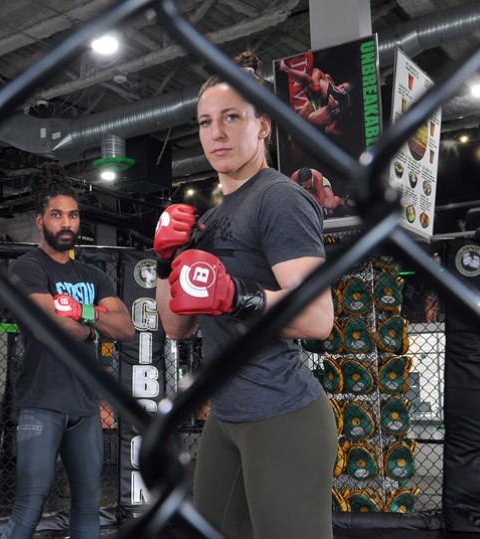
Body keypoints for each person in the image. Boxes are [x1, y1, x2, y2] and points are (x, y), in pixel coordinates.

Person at [154, 51, 337, 538]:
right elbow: (176, 327)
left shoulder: (278, 198)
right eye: (205, 122)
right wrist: (164, 262)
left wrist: (237, 295)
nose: (216, 133)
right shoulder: (209, 221)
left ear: (263, 126)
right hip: (226, 415)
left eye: (232, 117)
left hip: (282, 413)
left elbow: (318, 318)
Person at [3, 166, 135, 539]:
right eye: (57, 215)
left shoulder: (93, 275)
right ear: (40, 220)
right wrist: (96, 321)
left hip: (84, 405)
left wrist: (83, 312)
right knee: (30, 504)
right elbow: (50, 330)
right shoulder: (27, 268)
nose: (66, 223)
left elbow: (125, 328)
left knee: (88, 506)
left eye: (73, 215)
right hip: (42, 400)